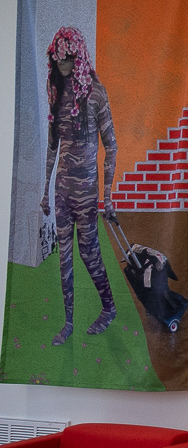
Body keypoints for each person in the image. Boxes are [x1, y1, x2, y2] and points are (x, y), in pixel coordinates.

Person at [40, 26, 117, 345]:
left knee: (89, 253)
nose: (62, 64)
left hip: (86, 191)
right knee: (64, 257)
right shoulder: (56, 92)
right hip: (62, 190)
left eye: (68, 58)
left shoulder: (96, 94)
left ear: (78, 58)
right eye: (58, 59)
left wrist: (108, 197)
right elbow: (52, 145)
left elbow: (111, 146)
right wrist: (45, 190)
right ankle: (68, 321)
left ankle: (109, 308)